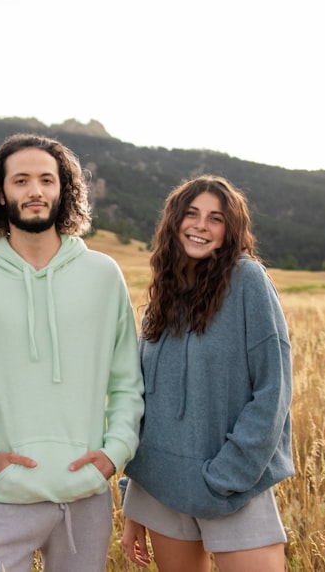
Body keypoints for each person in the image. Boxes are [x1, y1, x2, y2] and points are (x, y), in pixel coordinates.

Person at [0, 133, 145, 572]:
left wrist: (114, 453)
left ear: (64, 190)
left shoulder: (102, 274)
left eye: (47, 179)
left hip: (85, 497)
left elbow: (126, 381)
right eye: (21, 180)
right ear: (0, 194)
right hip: (0, 496)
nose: (36, 191)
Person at [119, 175, 294, 572]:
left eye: (215, 218)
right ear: (174, 222)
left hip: (233, 487)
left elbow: (274, 391)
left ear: (229, 230)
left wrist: (226, 475)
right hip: (161, 490)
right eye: (192, 214)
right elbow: (143, 402)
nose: (201, 225)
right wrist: (135, 499)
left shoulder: (249, 282)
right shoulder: (160, 299)